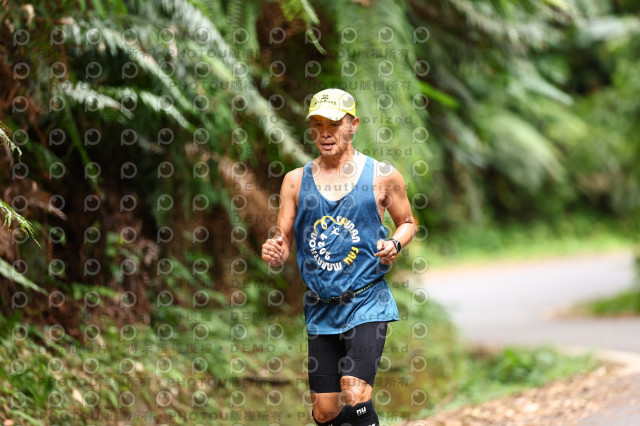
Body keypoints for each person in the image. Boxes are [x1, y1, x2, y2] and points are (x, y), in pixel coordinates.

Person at [261, 88, 417, 426]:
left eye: (334, 124)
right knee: (325, 411)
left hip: (367, 301)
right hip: (321, 307)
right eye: (317, 124)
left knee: (354, 390)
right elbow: (282, 239)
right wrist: (275, 250)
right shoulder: (295, 181)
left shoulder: (382, 175)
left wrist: (395, 243)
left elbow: (407, 222)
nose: (325, 133)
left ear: (353, 125)